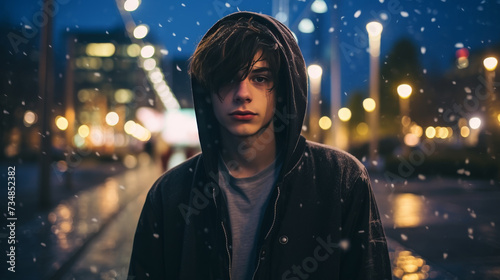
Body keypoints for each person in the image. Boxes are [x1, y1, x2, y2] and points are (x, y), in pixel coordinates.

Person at [128, 11, 392, 280]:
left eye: (260, 78)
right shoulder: (170, 193)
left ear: (282, 90)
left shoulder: (341, 179)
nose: (243, 93)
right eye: (228, 78)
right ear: (207, 90)